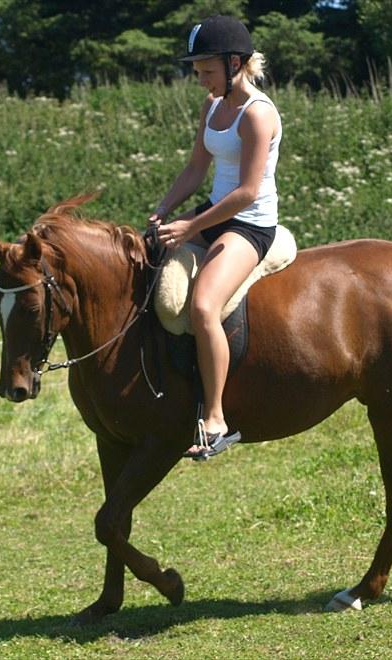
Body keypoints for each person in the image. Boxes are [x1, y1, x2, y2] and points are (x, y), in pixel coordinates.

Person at [148, 15, 282, 460]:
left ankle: (217, 418)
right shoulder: (211, 106)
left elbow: (246, 192)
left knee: (204, 305)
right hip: (211, 214)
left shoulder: (258, 115)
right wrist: (165, 210)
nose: (200, 79)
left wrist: (191, 226)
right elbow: (195, 170)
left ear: (235, 63)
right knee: (146, 260)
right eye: (197, 70)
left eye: (206, 70)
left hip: (249, 223)